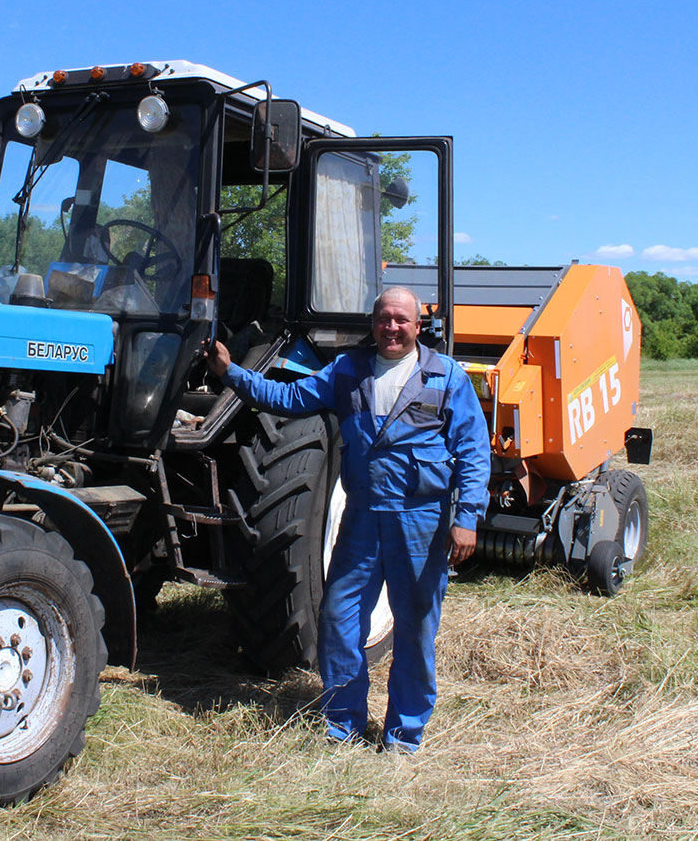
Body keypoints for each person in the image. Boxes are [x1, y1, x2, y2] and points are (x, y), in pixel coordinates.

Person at [204, 286, 490, 751]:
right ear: (372, 323)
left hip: (420, 522)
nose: (391, 327)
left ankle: (404, 735)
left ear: (418, 327)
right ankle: (343, 724)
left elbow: (474, 453)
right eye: (384, 318)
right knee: (338, 619)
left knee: (415, 628)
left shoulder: (445, 376)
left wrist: (468, 518)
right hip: (361, 519)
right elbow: (288, 397)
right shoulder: (348, 370)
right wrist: (230, 373)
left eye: (401, 320)